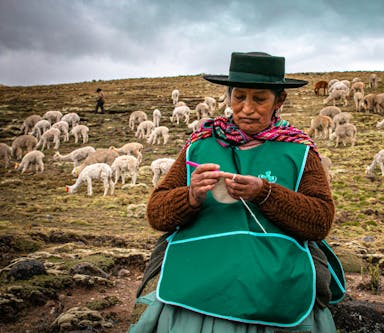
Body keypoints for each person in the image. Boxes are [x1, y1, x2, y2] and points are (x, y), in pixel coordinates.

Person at [129, 52, 344, 333]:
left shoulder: (299, 150)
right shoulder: (199, 144)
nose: (247, 108)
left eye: (259, 99)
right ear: (228, 97)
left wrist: (265, 192)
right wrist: (191, 195)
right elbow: (157, 213)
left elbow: (320, 220)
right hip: (198, 267)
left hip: (275, 273)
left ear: (279, 101)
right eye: (239, 97)